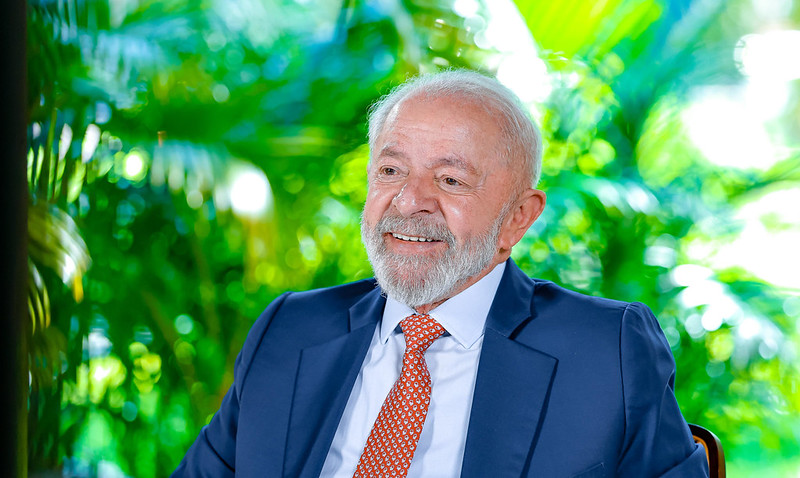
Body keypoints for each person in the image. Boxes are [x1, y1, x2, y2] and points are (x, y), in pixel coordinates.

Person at [172, 70, 709, 477]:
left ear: (518, 218)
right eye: (390, 170)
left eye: (450, 180)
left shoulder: (607, 351)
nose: (409, 201)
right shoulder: (289, 328)